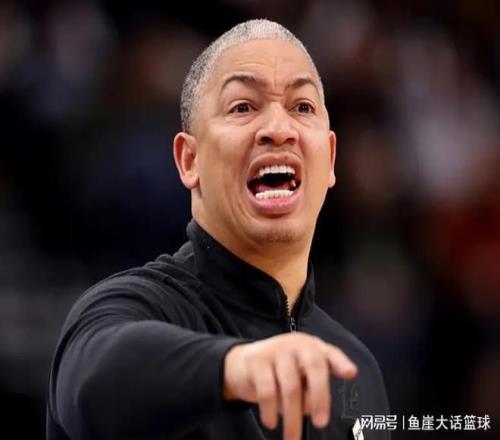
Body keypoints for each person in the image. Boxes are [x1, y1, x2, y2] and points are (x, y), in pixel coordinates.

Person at [47, 19, 390, 440]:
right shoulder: (131, 307)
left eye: (302, 107)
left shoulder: (356, 369)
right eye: (243, 107)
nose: (279, 129)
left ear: (331, 158)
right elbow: (90, 382)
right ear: (188, 160)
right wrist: (237, 367)